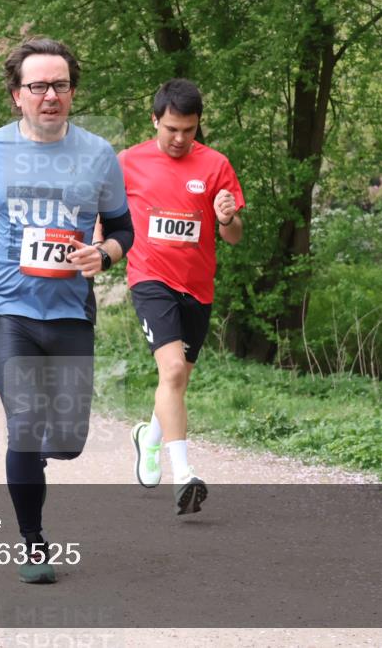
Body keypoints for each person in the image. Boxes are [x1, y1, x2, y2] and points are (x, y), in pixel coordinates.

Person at [0, 37, 133, 584]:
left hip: (70, 311)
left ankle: (40, 454)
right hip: (8, 309)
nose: (50, 95)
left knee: (65, 441)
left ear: (72, 91)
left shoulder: (98, 154)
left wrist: (105, 254)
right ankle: (33, 543)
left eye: (61, 85)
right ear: (16, 95)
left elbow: (123, 230)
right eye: (38, 86)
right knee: (23, 425)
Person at [119, 79, 245, 515]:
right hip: (150, 279)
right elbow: (107, 217)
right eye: (171, 128)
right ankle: (184, 473)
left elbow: (232, 237)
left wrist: (226, 218)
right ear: (154, 120)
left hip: (198, 286)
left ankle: (147, 438)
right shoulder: (128, 163)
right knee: (171, 370)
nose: (178, 138)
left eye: (188, 130)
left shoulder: (216, 166)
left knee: (178, 380)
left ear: (198, 126)